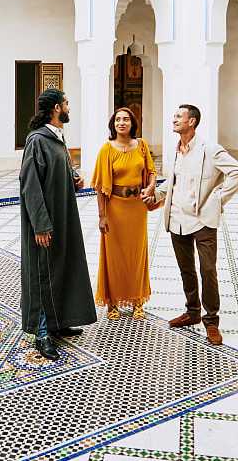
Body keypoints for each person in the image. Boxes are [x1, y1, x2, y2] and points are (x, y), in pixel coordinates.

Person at [146, 104, 238, 345]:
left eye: (179, 116)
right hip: (177, 217)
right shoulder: (177, 149)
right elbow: (174, 180)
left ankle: (211, 321)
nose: (174, 119)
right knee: (186, 268)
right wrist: (157, 195)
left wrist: (218, 199)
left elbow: (237, 172)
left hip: (203, 220)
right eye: (175, 115)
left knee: (208, 270)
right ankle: (192, 312)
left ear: (192, 121)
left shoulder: (209, 149)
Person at [19, 88, 97, 361]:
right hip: (46, 221)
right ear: (55, 108)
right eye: (66, 104)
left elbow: (55, 172)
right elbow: (31, 185)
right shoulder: (37, 140)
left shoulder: (57, 139)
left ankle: (59, 322)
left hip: (63, 215)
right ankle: (42, 333)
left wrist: (72, 178)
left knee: (61, 266)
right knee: (42, 272)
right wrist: (40, 225)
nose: (68, 108)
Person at [90, 107, 156, 321]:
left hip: (137, 208)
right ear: (113, 124)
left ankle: (138, 301)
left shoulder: (142, 146)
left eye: (126, 119)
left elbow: (152, 171)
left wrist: (151, 187)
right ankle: (113, 302)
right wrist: (102, 216)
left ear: (132, 123)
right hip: (115, 209)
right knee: (114, 256)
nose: (122, 123)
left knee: (137, 255)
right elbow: (100, 187)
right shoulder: (106, 149)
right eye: (118, 119)